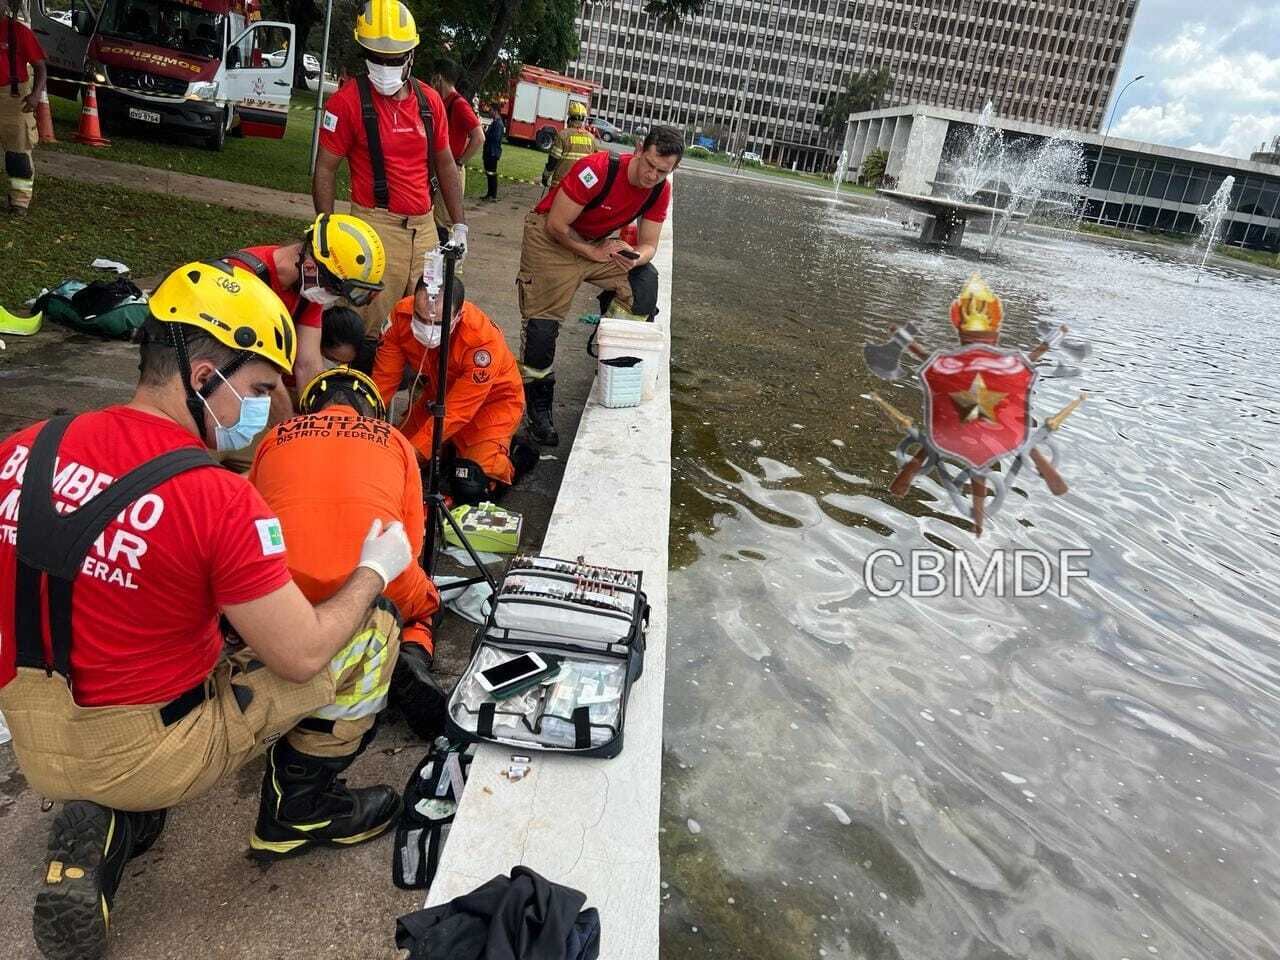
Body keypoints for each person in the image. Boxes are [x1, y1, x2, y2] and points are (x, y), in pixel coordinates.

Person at [0, 261, 415, 960]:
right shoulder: (216, 498)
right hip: (146, 743)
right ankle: (301, 809)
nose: (258, 411)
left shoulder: (23, 448)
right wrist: (375, 569)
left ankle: (120, 819)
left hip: (30, 725)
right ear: (203, 379)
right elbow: (303, 653)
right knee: (368, 631)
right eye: (255, 390)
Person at [249, 366, 448, 741]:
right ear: (371, 409)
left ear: (311, 408)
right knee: (423, 605)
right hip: (377, 582)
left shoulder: (274, 437)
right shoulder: (394, 440)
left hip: (287, 589)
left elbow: (252, 522)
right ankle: (409, 654)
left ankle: (315, 642)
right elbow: (411, 541)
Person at [517, 125, 682, 445]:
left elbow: (649, 245)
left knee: (644, 286)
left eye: (662, 171)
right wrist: (591, 251)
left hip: (597, 244)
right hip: (553, 242)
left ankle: (612, 353)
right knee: (541, 329)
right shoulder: (597, 169)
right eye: (649, 164)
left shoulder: (660, 190)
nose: (651, 175)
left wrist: (635, 258)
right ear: (638, 149)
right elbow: (556, 225)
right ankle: (538, 409)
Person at [313, 0, 468, 337]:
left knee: (427, 323)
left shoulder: (429, 102)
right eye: (376, 58)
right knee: (365, 323)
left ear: (411, 55)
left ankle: (404, 384)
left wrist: (459, 225)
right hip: (374, 225)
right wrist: (325, 229)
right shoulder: (347, 102)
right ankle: (356, 383)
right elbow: (325, 169)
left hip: (424, 228)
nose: (385, 66)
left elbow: (445, 163)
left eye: (394, 59)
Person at [372, 272, 526, 503]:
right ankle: (447, 450)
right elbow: (382, 382)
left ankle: (514, 454)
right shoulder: (401, 317)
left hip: (491, 405)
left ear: (458, 315)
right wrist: (363, 427)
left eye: (437, 322)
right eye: (421, 318)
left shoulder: (481, 342)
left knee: (472, 485)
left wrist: (414, 452)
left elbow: (457, 411)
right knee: (390, 453)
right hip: (438, 396)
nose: (427, 328)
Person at [225, 212, 387, 395]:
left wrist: (318, 416)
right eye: (333, 288)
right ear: (313, 263)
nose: (330, 296)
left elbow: (308, 364)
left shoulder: (308, 289)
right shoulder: (243, 278)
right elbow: (257, 372)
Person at [0, 1, 47, 216]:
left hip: (14, 98)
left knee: (18, 152)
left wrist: (36, 95)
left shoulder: (18, 31)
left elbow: (40, 67)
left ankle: (19, 203)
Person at [429, 57, 482, 239]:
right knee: (437, 218)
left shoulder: (458, 104)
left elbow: (478, 136)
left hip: (451, 169)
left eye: (433, 79)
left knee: (444, 222)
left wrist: (459, 162)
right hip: (440, 168)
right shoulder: (443, 102)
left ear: (439, 78)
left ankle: (451, 265)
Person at [542, 101, 595, 191]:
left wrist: (546, 176)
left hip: (561, 184)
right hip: (580, 186)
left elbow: (553, 160)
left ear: (569, 119)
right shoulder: (591, 138)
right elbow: (593, 164)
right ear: (583, 120)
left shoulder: (563, 135)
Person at [480, 101, 504, 202]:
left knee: (492, 174)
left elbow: (495, 138)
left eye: (491, 110)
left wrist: (485, 133)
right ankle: (489, 194)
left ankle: (493, 195)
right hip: (490, 152)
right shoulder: (495, 122)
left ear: (495, 111)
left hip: (492, 153)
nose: (489, 112)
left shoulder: (498, 123)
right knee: (489, 174)